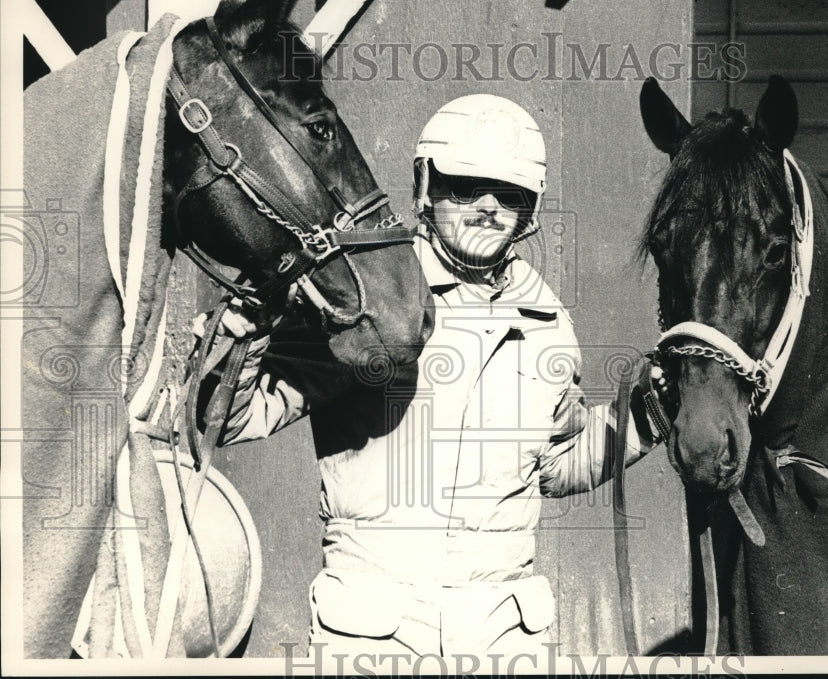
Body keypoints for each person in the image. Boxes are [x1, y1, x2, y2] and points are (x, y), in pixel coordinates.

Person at [207, 94, 665, 664]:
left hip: (505, 642)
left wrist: (648, 419)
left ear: (532, 208)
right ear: (426, 187)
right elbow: (233, 417)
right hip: (375, 638)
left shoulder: (548, 325)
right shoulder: (369, 304)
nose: (489, 207)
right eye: (466, 186)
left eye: (511, 194)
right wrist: (246, 329)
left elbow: (554, 468)